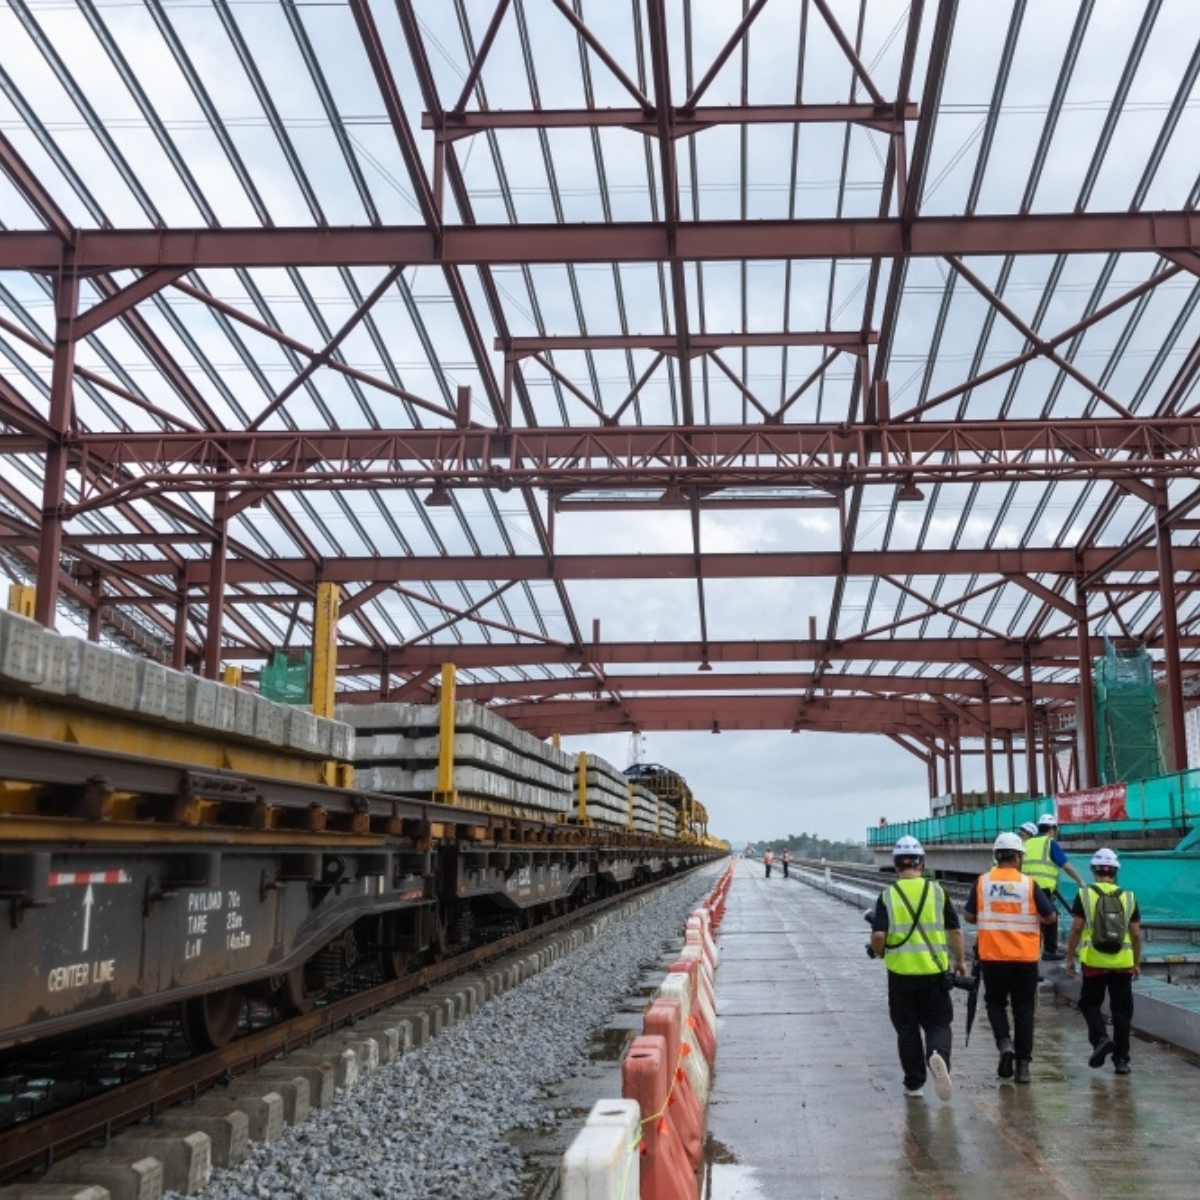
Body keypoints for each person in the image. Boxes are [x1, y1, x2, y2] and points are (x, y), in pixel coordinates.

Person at [870, 836, 965, 1102]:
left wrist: (879, 952)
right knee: (938, 1024)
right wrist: (960, 961)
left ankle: (914, 1084)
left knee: (907, 1029)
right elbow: (955, 931)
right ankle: (937, 1055)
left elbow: (878, 937)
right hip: (934, 974)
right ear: (922, 863)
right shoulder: (938, 892)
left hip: (900, 976)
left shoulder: (887, 897)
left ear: (896, 865)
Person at [964, 832, 1057, 1083]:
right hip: (1024, 959)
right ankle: (1023, 1067)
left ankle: (1005, 1044)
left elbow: (969, 916)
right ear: (1017, 857)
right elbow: (1050, 917)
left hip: (992, 956)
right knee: (1024, 1009)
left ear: (996, 856)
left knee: (995, 1003)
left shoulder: (982, 882)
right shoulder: (1029, 884)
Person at [1065, 848, 1142, 1075]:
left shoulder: (1085, 895)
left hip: (1094, 963)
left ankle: (1100, 1039)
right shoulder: (1129, 897)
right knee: (1121, 1011)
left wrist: (1069, 957)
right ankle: (1121, 1061)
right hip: (1123, 964)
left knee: (1089, 1004)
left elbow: (1077, 928)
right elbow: (1136, 933)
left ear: (1093, 870)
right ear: (1116, 872)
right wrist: (1136, 962)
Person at [1022, 813, 1085, 959]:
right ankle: (1049, 951)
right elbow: (1066, 866)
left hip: (1025, 887)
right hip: (1042, 888)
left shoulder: (1027, 843)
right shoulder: (1050, 843)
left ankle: (1033, 949)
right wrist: (1079, 880)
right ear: (1052, 829)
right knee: (1051, 916)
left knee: (1034, 919)